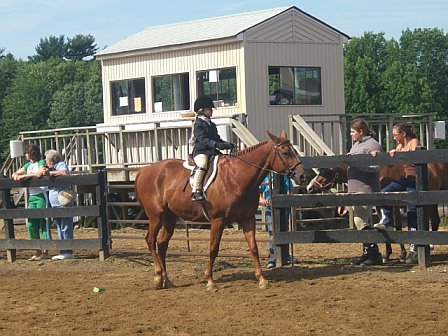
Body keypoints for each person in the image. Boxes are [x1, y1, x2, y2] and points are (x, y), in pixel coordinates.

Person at [373, 122, 421, 264]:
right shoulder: (400, 145)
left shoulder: (413, 142)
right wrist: (384, 155)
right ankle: (387, 219)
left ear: (403, 134)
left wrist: (399, 153)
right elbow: (394, 159)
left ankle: (414, 248)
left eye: (395, 135)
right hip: (404, 180)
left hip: (415, 181)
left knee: (412, 211)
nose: (394, 138)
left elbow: (412, 155)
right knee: (385, 192)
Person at [347, 118, 383, 266]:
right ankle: (368, 253)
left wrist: (357, 164)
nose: (351, 135)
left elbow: (376, 167)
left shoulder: (373, 144)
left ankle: (374, 254)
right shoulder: (356, 145)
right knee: (362, 220)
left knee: (359, 220)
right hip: (355, 187)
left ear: (361, 132)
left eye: (353, 132)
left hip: (366, 187)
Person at [190, 95, 234, 202]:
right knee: (202, 164)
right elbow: (202, 139)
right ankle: (196, 191)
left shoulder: (212, 124)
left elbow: (217, 138)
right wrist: (215, 144)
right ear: (202, 110)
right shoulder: (198, 124)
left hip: (212, 151)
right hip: (201, 151)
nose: (211, 111)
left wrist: (225, 144)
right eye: (209, 109)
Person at [11, 144, 49, 261]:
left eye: (27, 153)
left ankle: (45, 250)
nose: (25, 155)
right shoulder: (28, 165)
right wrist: (17, 176)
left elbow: (39, 174)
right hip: (32, 196)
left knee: (43, 222)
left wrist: (25, 176)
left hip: (42, 195)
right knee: (31, 224)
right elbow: (15, 173)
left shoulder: (41, 162)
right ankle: (37, 249)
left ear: (32, 153)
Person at [42, 149, 75, 260]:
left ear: (51, 160)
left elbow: (64, 173)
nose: (45, 161)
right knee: (59, 226)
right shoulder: (50, 167)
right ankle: (63, 250)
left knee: (65, 226)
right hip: (55, 203)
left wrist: (50, 173)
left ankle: (68, 251)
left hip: (63, 202)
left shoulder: (60, 165)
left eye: (47, 159)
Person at [259, 174, 293, 269]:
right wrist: (262, 200)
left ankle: (286, 256)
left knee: (284, 230)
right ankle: (272, 258)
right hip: (270, 207)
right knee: (272, 233)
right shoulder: (264, 178)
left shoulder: (284, 177)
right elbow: (259, 191)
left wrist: (289, 199)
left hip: (283, 206)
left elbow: (290, 189)